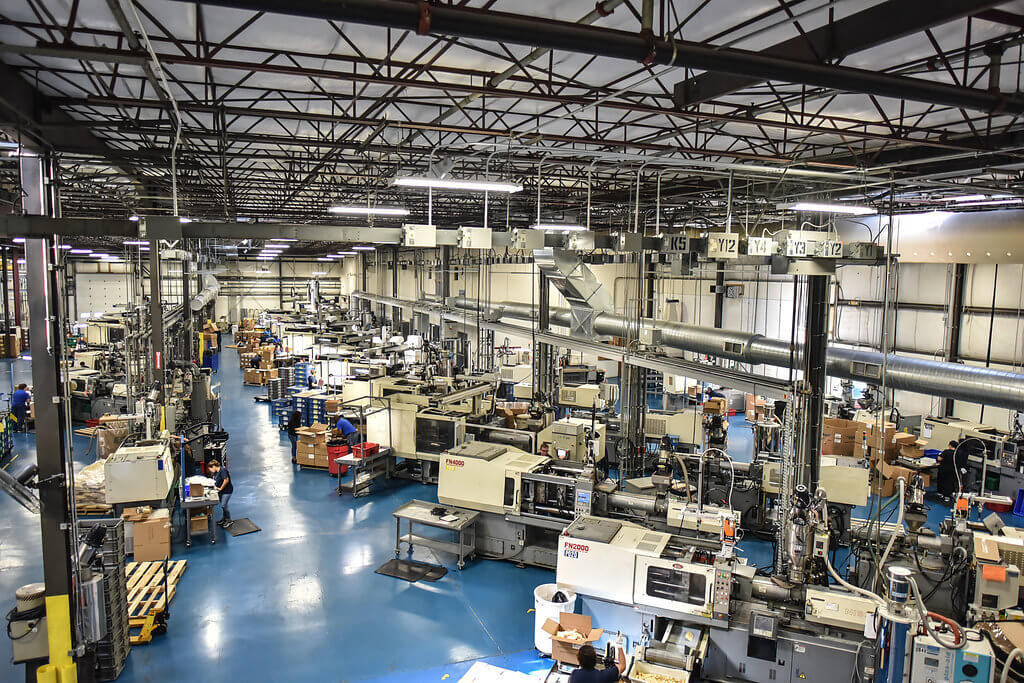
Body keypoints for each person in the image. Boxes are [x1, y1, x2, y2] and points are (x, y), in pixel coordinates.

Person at [208, 459, 234, 528]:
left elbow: (226, 480)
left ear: (213, 466)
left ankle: (229, 520)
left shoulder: (222, 471)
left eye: (210, 468)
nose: (210, 470)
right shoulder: (216, 472)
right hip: (221, 492)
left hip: (227, 491)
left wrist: (220, 488)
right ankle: (224, 519)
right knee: (223, 506)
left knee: (224, 505)